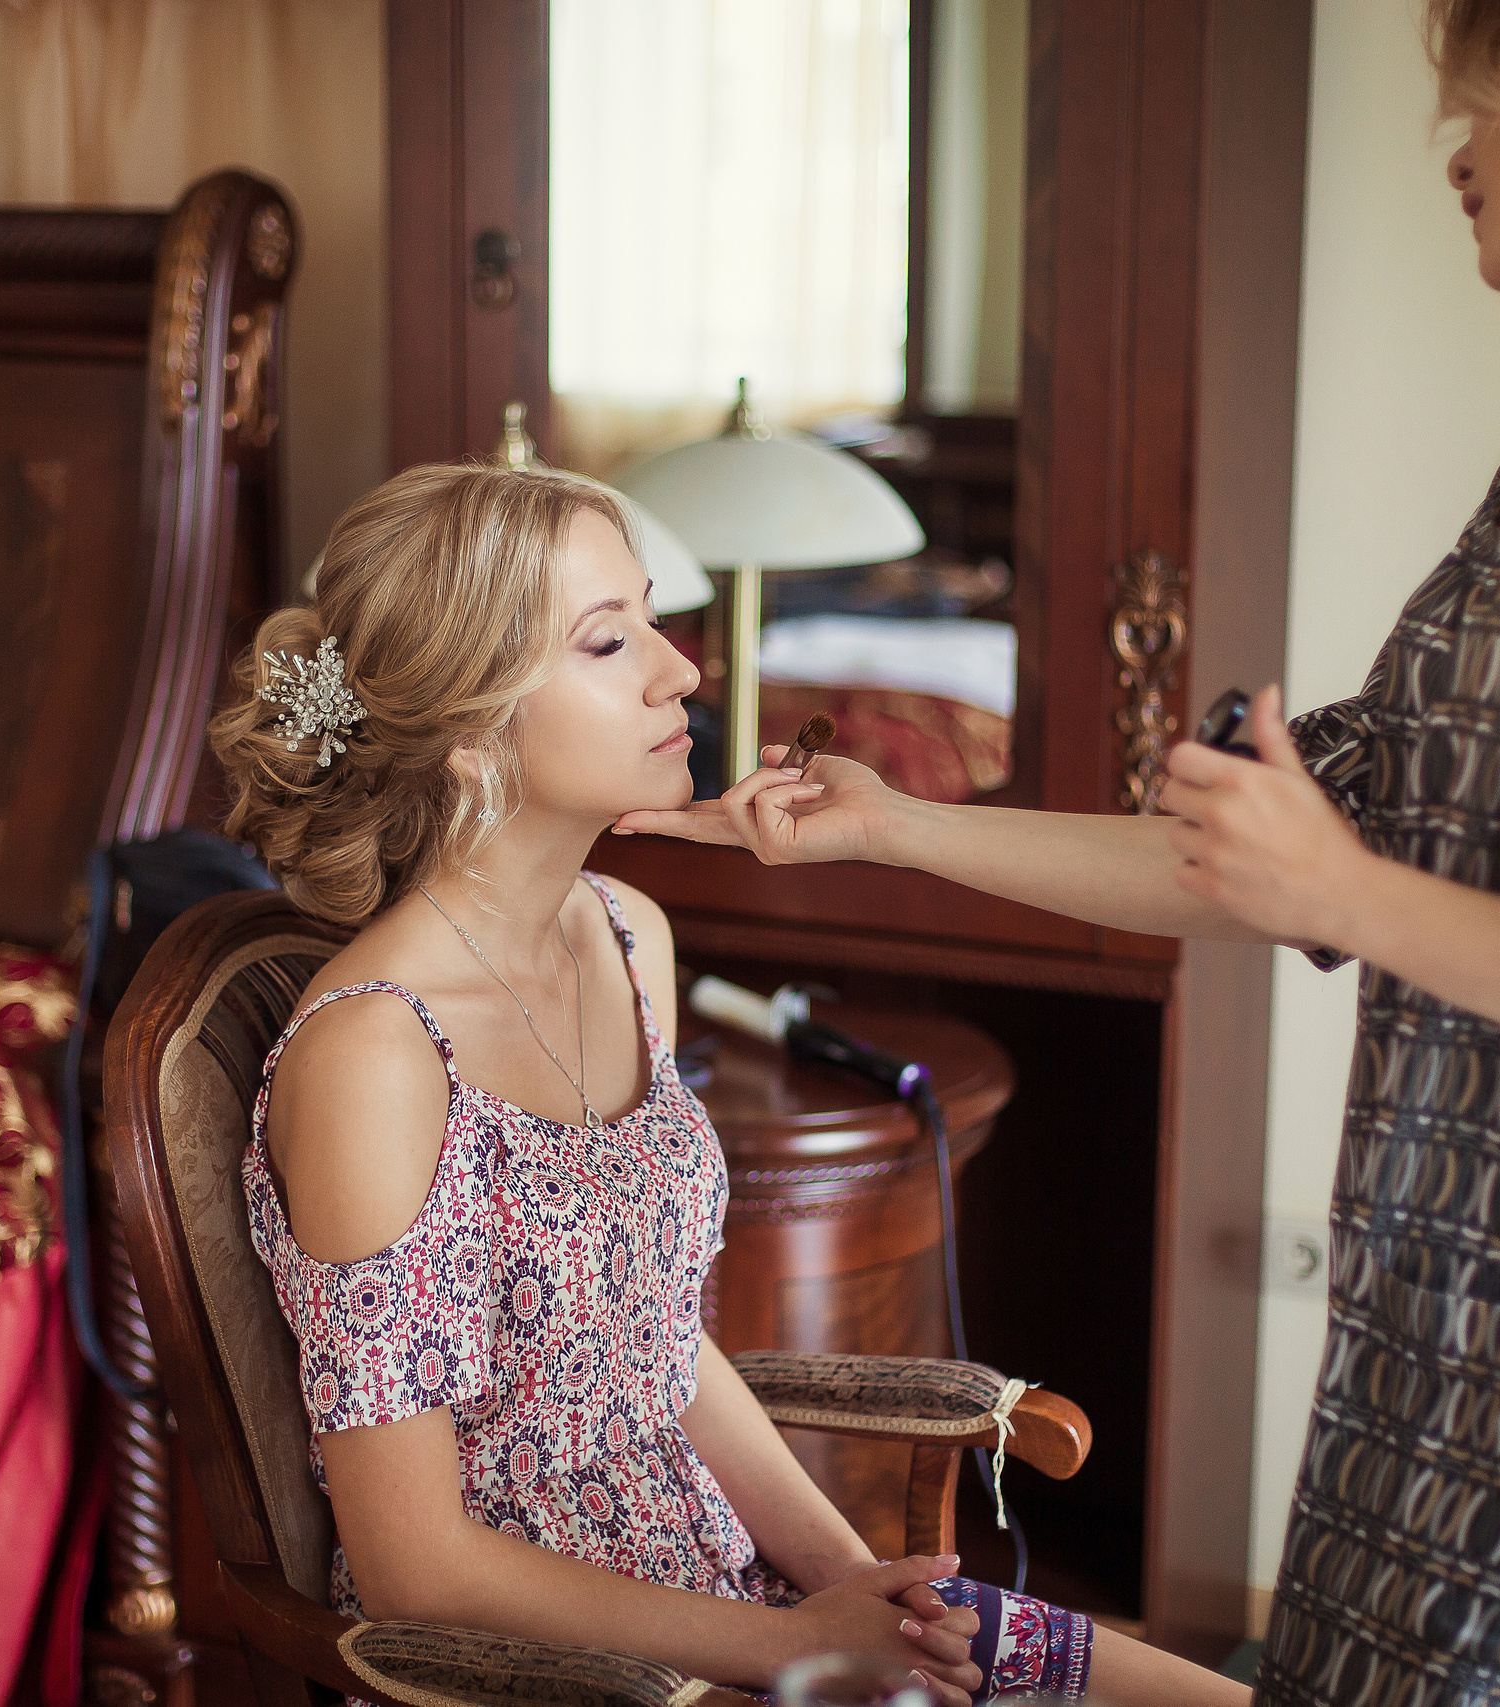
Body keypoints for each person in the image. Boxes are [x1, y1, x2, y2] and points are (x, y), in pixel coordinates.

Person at [615, 1, 1500, 1702]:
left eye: (1473, 94)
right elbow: (1264, 853)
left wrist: (1343, 894)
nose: (1455, 146)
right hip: (1431, 1307)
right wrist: (902, 826)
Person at [209, 462, 1246, 1706]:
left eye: (650, 616)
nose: (680, 669)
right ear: (472, 726)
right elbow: (413, 1564)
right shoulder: (373, 1056)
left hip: (721, 1594)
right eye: (609, 641)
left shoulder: (627, 934)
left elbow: (659, 1344)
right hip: (553, 1672)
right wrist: (796, 1647)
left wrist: (870, 1598)